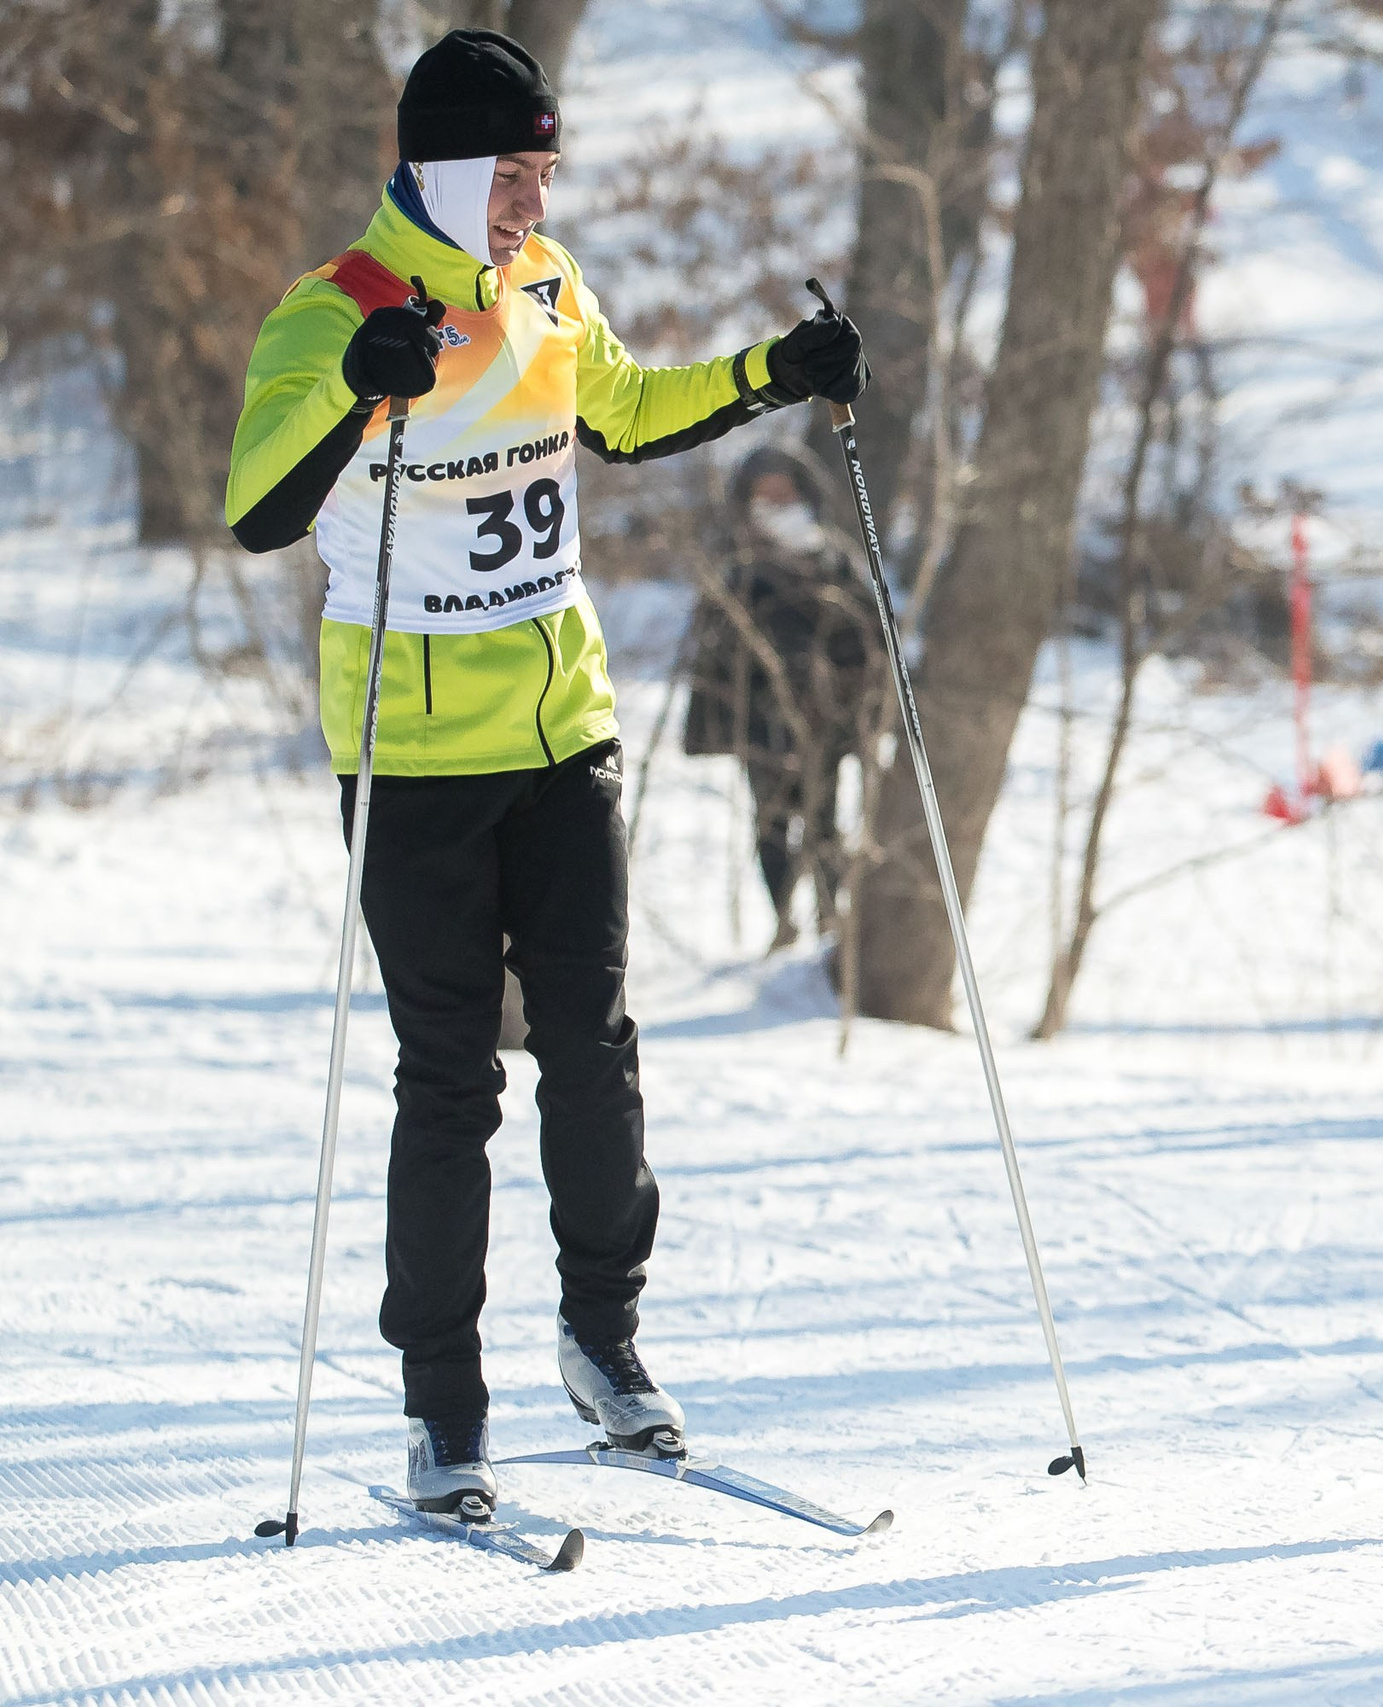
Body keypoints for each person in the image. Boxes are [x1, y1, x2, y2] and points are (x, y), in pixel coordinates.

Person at [223, 29, 870, 1516]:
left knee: (595, 1041)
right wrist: (357, 391)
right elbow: (259, 507)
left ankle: (605, 1342)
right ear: (443, 167)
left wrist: (781, 369)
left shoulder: (547, 285)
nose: (528, 199)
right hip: (412, 744)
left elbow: (628, 412)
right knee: (451, 1080)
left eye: (543, 172)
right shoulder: (334, 310)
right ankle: (444, 1412)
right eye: (509, 173)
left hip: (563, 724)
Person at [681, 445, 877, 952]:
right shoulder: (735, 564)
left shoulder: (832, 558)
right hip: (760, 719)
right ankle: (784, 921)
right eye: (763, 493)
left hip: (825, 718)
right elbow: (714, 645)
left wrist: (845, 693)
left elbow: (867, 635)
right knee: (771, 822)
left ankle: (832, 919)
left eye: (783, 492)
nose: (774, 502)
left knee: (825, 820)